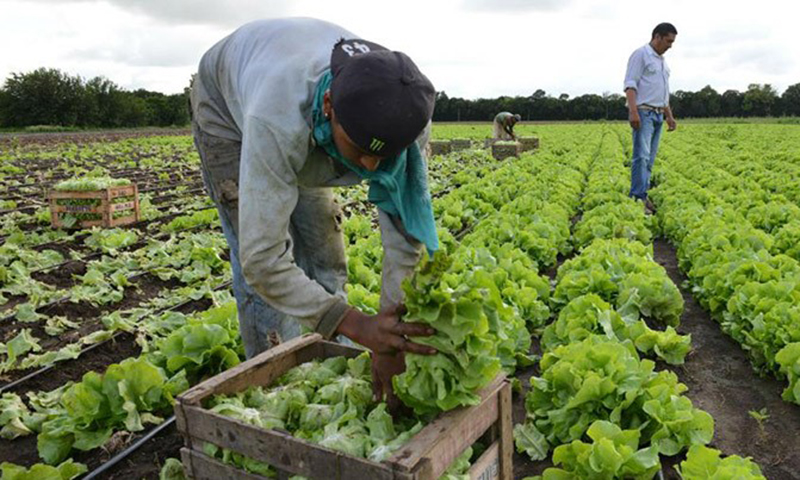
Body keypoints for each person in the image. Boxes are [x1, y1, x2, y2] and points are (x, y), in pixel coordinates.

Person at [190, 18, 439, 407]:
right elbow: (263, 260)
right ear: (328, 107)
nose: (370, 168)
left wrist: (388, 337)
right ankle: (274, 386)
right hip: (228, 113)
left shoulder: (406, 117)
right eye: (361, 151)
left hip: (307, 113)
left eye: (383, 157)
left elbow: (406, 235)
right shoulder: (275, 117)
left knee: (324, 250)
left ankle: (333, 354)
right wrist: (358, 323)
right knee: (265, 280)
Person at [624, 22, 678, 214]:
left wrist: (669, 116)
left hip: (657, 115)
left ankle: (643, 195)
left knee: (650, 159)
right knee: (641, 156)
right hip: (644, 113)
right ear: (657, 37)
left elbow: (663, 93)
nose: (671, 45)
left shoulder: (662, 62)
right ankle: (637, 198)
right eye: (668, 41)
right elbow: (630, 84)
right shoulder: (641, 55)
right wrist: (633, 111)